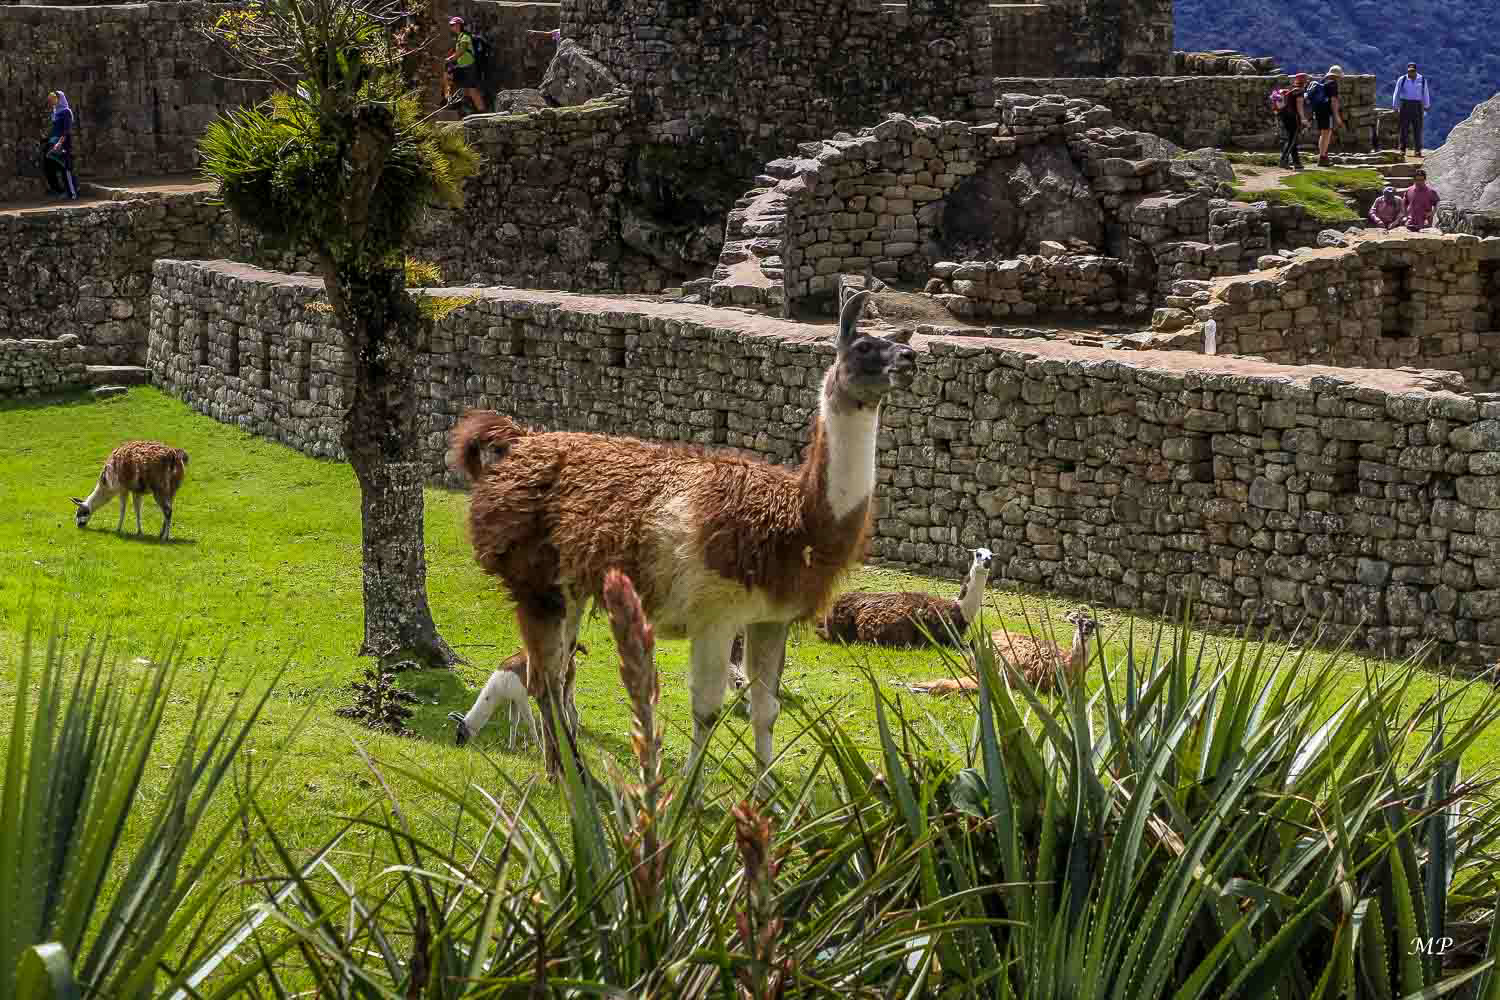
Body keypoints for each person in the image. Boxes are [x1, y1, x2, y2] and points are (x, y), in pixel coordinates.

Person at [1391, 62, 1432, 158]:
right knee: (1403, 128)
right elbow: (1396, 93)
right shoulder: (1402, 79)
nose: (1411, 73)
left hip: (1417, 105)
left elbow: (1425, 92)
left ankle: (1417, 150)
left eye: (1412, 71)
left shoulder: (1422, 79)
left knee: (1418, 128)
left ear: (1416, 71)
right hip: (1405, 104)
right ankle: (1402, 149)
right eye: (1409, 71)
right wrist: (1395, 106)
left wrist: (1427, 105)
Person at [446, 16, 486, 112]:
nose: (451, 27)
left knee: (472, 89)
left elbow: (462, 51)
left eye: (453, 25)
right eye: (450, 25)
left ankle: (482, 110)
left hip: (469, 66)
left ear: (459, 25)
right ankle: (466, 108)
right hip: (463, 66)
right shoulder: (460, 37)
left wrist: (450, 59)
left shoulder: (465, 36)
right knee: (462, 87)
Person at [1306, 65, 1344, 167]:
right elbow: (1334, 100)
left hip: (1318, 110)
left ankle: (1323, 156)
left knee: (1324, 133)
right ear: (1337, 76)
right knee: (1326, 133)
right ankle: (1322, 158)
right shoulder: (1332, 84)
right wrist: (1337, 117)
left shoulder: (1323, 81)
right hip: (1326, 111)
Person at [43, 90, 78, 200]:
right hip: (53, 142)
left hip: (63, 143)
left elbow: (66, 130)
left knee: (66, 167)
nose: (53, 101)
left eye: (55, 99)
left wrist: (59, 143)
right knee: (49, 166)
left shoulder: (66, 112)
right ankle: (60, 190)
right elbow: (55, 129)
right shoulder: (55, 112)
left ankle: (72, 193)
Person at [1277, 72, 1311, 170]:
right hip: (1293, 118)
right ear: (1304, 81)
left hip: (1285, 116)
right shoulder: (1299, 91)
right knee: (1292, 140)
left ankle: (1296, 162)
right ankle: (1283, 161)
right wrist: (1303, 119)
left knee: (1292, 140)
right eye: (1306, 80)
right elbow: (1299, 106)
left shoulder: (1292, 90)